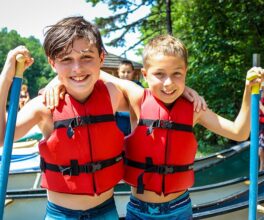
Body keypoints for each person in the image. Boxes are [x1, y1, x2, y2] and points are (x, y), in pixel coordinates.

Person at [43, 34, 262, 219]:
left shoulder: (194, 108)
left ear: (186, 73)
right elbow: (89, 71)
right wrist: (57, 80)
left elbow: (239, 132)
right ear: (145, 75)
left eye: (177, 74)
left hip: (179, 209)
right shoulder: (136, 97)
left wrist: (248, 91)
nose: (168, 83)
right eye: (159, 74)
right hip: (139, 211)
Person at [0, 16, 128, 220]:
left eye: (86, 57)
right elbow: (1, 139)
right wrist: (5, 77)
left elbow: (153, 98)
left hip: (107, 211)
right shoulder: (43, 106)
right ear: (52, 63)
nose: (77, 68)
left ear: (101, 58)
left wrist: (186, 91)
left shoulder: (113, 94)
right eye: (66, 60)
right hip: (62, 215)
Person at [116, 60, 143, 135]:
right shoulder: (114, 88)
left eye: (128, 72)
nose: (126, 74)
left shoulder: (139, 88)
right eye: (123, 72)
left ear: (133, 72)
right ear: (118, 72)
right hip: (119, 126)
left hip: (136, 126)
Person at [259, 90, 264, 171]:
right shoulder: (261, 100)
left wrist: (260, 105)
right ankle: (261, 168)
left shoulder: (260, 103)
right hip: (261, 128)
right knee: (260, 150)